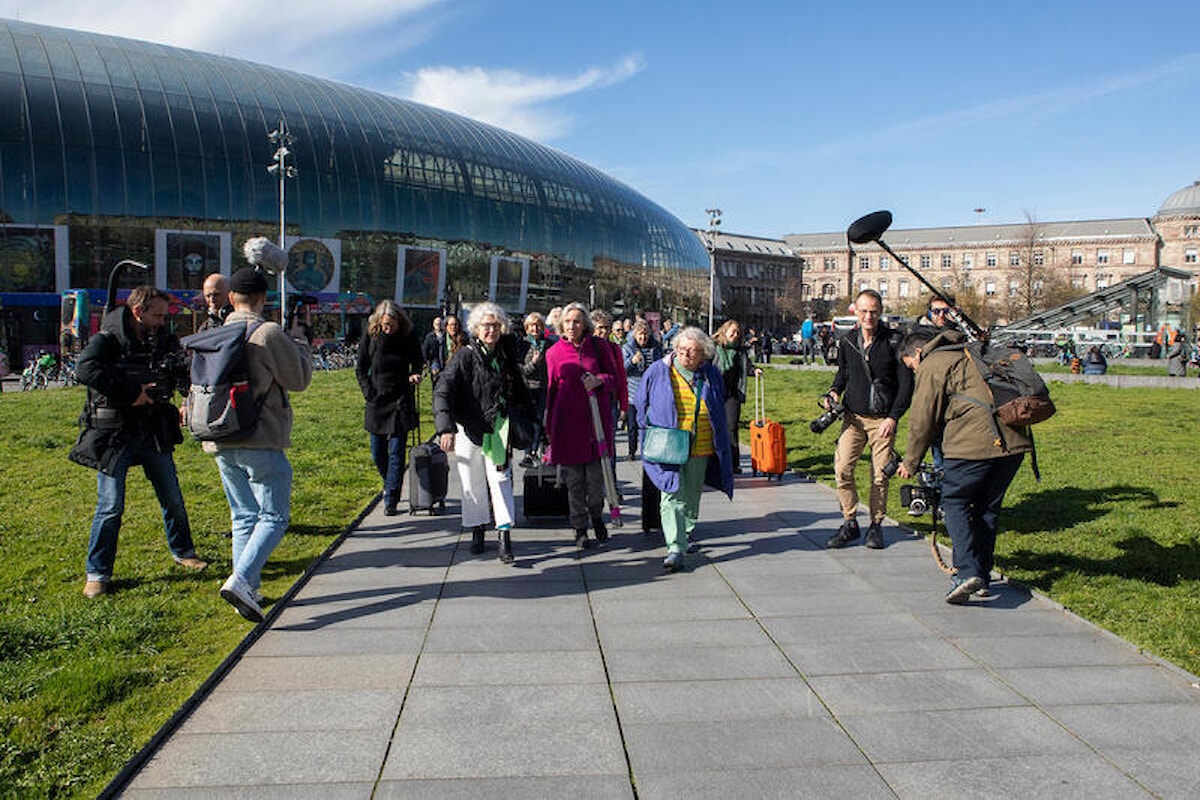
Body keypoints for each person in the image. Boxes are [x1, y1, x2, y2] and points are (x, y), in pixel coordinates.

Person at [69, 286, 207, 598]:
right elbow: (85, 370)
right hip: (115, 433)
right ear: (138, 312)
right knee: (110, 505)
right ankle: (98, 573)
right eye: (157, 315)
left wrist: (187, 397)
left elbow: (180, 370)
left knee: (171, 496)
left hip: (153, 429)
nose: (162, 321)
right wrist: (131, 393)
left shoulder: (162, 338)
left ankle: (183, 551)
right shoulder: (106, 339)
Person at [208, 258, 313, 622]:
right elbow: (299, 379)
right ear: (263, 297)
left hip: (221, 435)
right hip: (261, 436)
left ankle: (246, 589)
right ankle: (241, 580)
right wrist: (299, 338)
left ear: (232, 297)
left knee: (243, 517)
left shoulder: (217, 331)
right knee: (273, 516)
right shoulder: (267, 333)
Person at [896, 328, 1032, 604]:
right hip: (1014, 440)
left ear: (918, 353)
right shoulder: (973, 351)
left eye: (912, 367)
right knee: (987, 508)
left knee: (954, 500)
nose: (914, 372)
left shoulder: (933, 363)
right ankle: (982, 574)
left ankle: (966, 573)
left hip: (974, 443)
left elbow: (922, 419)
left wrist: (910, 462)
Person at [433, 302, 533, 563]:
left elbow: (522, 385)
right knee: (471, 480)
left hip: (498, 429)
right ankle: (477, 530)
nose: (491, 330)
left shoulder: (506, 354)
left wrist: (532, 420)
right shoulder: (464, 355)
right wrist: (445, 428)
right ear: (475, 329)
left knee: (501, 481)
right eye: (486, 326)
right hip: (469, 428)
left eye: (495, 325)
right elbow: (443, 390)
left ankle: (504, 535)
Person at [633, 327, 734, 572]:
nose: (686, 354)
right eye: (682, 349)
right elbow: (640, 402)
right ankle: (675, 547)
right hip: (669, 444)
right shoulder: (659, 370)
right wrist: (646, 429)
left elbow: (719, 402)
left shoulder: (711, 374)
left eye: (693, 351)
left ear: (704, 354)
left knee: (691, 494)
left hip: (700, 443)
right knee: (671, 494)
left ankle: (686, 532)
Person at [822, 289, 913, 550]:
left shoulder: (895, 341)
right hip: (854, 417)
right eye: (863, 311)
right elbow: (843, 373)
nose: (868, 316)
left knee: (880, 476)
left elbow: (906, 386)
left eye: (873, 311)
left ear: (880, 311)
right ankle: (850, 521)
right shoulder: (848, 340)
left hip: (883, 420)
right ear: (855, 312)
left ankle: (876, 525)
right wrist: (833, 391)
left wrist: (894, 417)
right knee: (842, 469)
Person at [545, 303, 621, 549]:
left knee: (596, 481)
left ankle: (596, 515)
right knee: (575, 482)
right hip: (568, 427)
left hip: (595, 427)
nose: (571, 326)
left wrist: (599, 380)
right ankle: (579, 527)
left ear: (585, 324)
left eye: (576, 321)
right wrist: (550, 429)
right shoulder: (554, 353)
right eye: (567, 322)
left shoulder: (598, 348)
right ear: (561, 325)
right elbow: (551, 393)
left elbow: (614, 378)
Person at [356, 300, 425, 516]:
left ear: (399, 322)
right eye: (385, 324)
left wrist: (415, 373)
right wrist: (369, 392)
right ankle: (389, 483)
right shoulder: (371, 335)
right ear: (378, 321)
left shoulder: (407, 336)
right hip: (377, 400)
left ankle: (391, 497)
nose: (388, 328)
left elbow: (418, 360)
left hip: (400, 398)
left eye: (392, 324)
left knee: (396, 451)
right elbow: (361, 368)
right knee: (378, 453)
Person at [711, 319, 761, 474]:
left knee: (731, 428)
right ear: (724, 331)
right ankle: (714, 462)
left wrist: (754, 371)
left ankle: (733, 463)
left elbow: (745, 366)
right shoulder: (714, 348)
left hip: (732, 393)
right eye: (732, 332)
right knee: (714, 428)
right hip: (714, 393)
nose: (735, 335)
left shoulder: (740, 351)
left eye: (737, 333)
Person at [516, 311, 554, 467]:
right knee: (528, 422)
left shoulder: (550, 344)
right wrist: (533, 362)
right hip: (527, 389)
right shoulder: (522, 345)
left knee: (540, 421)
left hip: (544, 388)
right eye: (531, 326)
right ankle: (528, 454)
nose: (535, 329)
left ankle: (534, 451)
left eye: (538, 325)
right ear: (526, 328)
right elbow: (520, 371)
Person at [622, 320, 663, 460]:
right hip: (633, 394)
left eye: (645, 334)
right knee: (632, 426)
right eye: (640, 334)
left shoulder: (656, 347)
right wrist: (631, 362)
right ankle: (632, 451)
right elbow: (622, 370)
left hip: (651, 394)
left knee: (649, 425)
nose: (643, 338)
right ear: (635, 334)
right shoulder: (627, 348)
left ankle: (648, 450)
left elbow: (661, 367)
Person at [422, 315, 445, 383]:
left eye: (440, 324)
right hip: (434, 360)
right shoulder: (429, 336)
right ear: (433, 325)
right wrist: (425, 362)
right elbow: (425, 349)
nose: (439, 325)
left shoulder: (446, 335)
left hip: (445, 359)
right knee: (435, 378)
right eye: (437, 324)